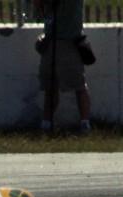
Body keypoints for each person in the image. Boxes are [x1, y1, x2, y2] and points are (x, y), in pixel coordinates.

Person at [34, 0, 92, 134]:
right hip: (50, 41)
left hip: (69, 41)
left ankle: (85, 123)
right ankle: (46, 123)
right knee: (50, 86)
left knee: (79, 85)